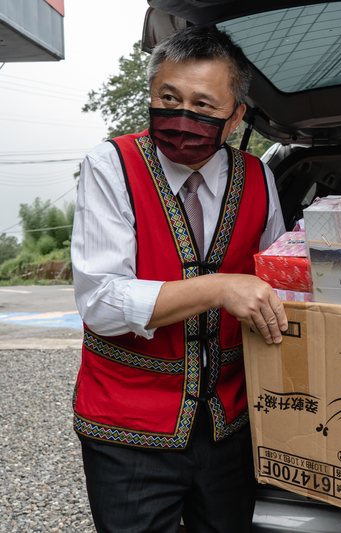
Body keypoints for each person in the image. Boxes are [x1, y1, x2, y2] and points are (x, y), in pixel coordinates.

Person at [71, 26, 288, 532]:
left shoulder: (259, 178)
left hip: (230, 425)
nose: (181, 117)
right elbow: (101, 302)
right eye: (168, 98)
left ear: (236, 116)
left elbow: (280, 280)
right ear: (150, 94)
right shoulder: (111, 166)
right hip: (127, 428)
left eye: (203, 105)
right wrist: (220, 286)